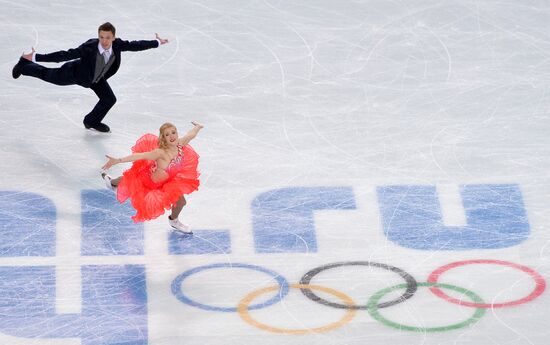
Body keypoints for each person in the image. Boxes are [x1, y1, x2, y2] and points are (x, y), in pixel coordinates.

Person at [11, 22, 169, 133]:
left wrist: (156, 42)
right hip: (76, 73)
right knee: (48, 75)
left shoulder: (118, 44)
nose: (104, 41)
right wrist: (37, 57)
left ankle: (91, 121)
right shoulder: (89, 47)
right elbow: (65, 55)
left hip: (97, 78)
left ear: (113, 37)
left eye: (108, 37)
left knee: (109, 99)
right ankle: (25, 65)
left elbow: (136, 45)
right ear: (98, 36)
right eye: (101, 37)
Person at [101, 122, 204, 233]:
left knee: (181, 202)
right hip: (149, 181)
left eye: (173, 132)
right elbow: (140, 156)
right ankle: (112, 182)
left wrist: (198, 127)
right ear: (163, 138)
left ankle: (174, 220)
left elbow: (191, 135)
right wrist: (118, 160)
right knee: (129, 178)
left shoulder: (180, 144)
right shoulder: (160, 153)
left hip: (168, 183)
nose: (172, 136)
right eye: (167, 134)